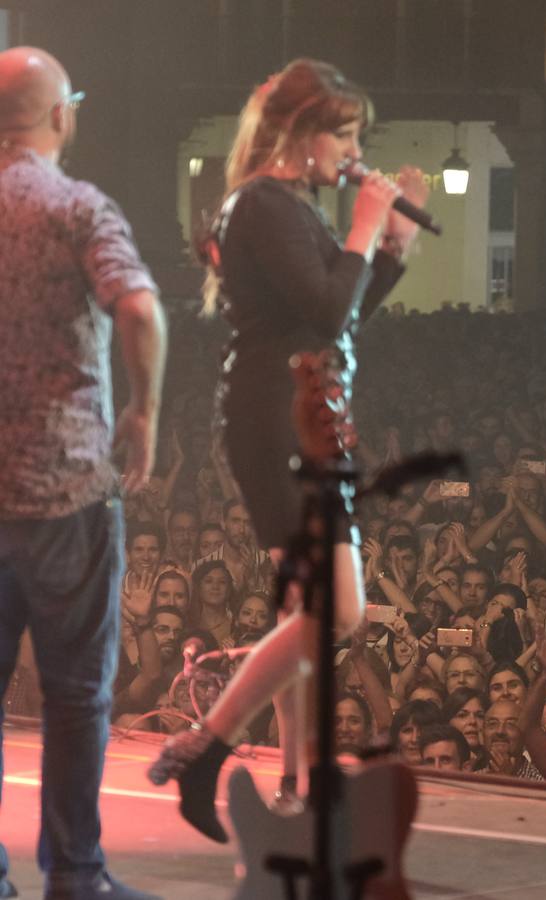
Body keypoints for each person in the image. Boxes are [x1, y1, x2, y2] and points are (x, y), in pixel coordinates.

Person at [147, 57, 428, 843]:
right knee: (341, 609)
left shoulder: (287, 204)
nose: (353, 153)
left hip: (304, 409)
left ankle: (301, 786)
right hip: (280, 415)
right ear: (303, 134)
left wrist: (393, 250)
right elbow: (329, 311)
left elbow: (341, 311)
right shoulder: (264, 205)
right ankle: (211, 742)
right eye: (344, 135)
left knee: (307, 612)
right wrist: (370, 224)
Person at [0, 45, 167, 900]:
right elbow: (138, 306)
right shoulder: (74, 207)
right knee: (73, 696)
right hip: (66, 491)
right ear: (61, 114)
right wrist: (142, 411)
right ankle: (73, 874)